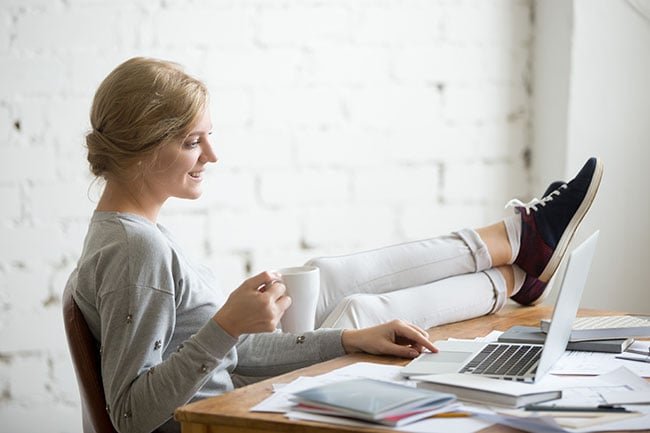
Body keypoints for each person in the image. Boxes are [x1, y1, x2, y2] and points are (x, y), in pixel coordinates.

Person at [65, 57, 602, 433]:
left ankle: (516, 259)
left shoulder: (133, 235)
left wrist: (349, 341)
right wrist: (227, 324)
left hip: (233, 400)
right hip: (226, 421)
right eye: (191, 141)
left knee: (335, 290)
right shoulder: (139, 252)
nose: (213, 154)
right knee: (356, 304)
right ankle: (514, 264)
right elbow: (131, 416)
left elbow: (224, 356)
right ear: (141, 148)